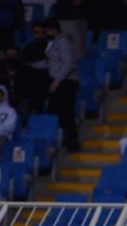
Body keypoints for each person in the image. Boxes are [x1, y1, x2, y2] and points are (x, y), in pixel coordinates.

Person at [42, 18, 79, 151]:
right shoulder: (52, 43)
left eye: (47, 30)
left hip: (66, 81)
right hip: (58, 80)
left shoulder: (63, 42)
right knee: (55, 111)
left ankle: (72, 141)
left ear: (53, 29)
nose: (46, 33)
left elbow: (68, 63)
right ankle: (60, 139)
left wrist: (57, 81)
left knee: (66, 112)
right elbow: (51, 63)